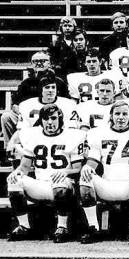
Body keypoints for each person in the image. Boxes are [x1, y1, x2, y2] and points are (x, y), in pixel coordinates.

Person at [79, 100, 129, 244]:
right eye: (117, 114)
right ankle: (93, 228)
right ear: (111, 116)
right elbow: (92, 162)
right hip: (107, 183)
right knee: (85, 176)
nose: (121, 117)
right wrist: (87, 167)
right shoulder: (98, 133)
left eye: (124, 114)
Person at [6, 104, 86, 242]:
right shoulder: (33, 135)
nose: (50, 122)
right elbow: (25, 166)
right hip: (40, 183)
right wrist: (16, 172)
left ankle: (62, 227)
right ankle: (24, 226)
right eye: (46, 118)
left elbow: (78, 168)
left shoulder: (72, 136)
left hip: (64, 186)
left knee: (59, 181)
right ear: (41, 120)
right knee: (14, 181)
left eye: (53, 118)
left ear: (60, 119)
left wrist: (64, 172)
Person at [1, 52, 66, 164]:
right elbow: (16, 105)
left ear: (50, 63)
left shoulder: (58, 82)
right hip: (29, 115)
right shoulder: (26, 83)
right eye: (36, 61)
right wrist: (25, 114)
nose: (39, 63)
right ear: (31, 64)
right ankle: (11, 151)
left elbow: (65, 103)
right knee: (6, 117)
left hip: (51, 116)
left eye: (43, 60)